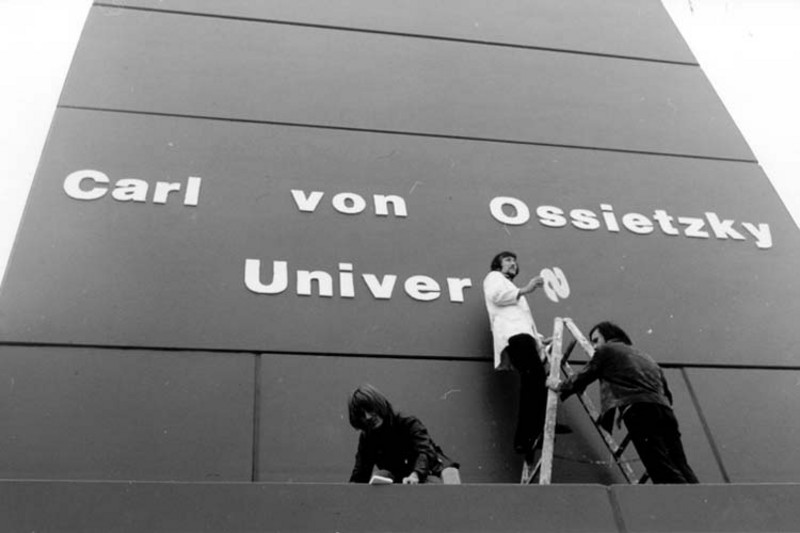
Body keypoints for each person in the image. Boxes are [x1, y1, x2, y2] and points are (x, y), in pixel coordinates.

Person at [547, 321, 699, 484]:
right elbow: (667, 393)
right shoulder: (645, 357)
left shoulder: (606, 350)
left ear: (608, 336)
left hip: (638, 411)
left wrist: (559, 385)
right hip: (665, 411)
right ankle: (700, 500)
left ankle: (678, 504)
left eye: (596, 340)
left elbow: (586, 375)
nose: (594, 347)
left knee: (659, 465)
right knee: (680, 463)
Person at [483, 251, 550, 454]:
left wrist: (539, 340)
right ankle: (528, 435)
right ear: (498, 265)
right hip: (514, 336)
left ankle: (534, 431)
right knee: (535, 379)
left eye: (514, 261)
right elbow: (497, 297)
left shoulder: (510, 286)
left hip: (521, 335)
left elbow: (521, 320)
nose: (513, 263)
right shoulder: (494, 278)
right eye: (508, 260)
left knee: (534, 380)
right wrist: (525, 289)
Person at [347, 384, 460, 484]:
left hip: (431, 473)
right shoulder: (368, 437)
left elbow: (424, 451)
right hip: (401, 480)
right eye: (362, 414)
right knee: (381, 475)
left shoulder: (407, 423)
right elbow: (360, 473)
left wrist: (416, 475)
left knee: (449, 478)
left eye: (369, 409)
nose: (368, 416)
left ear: (378, 404)